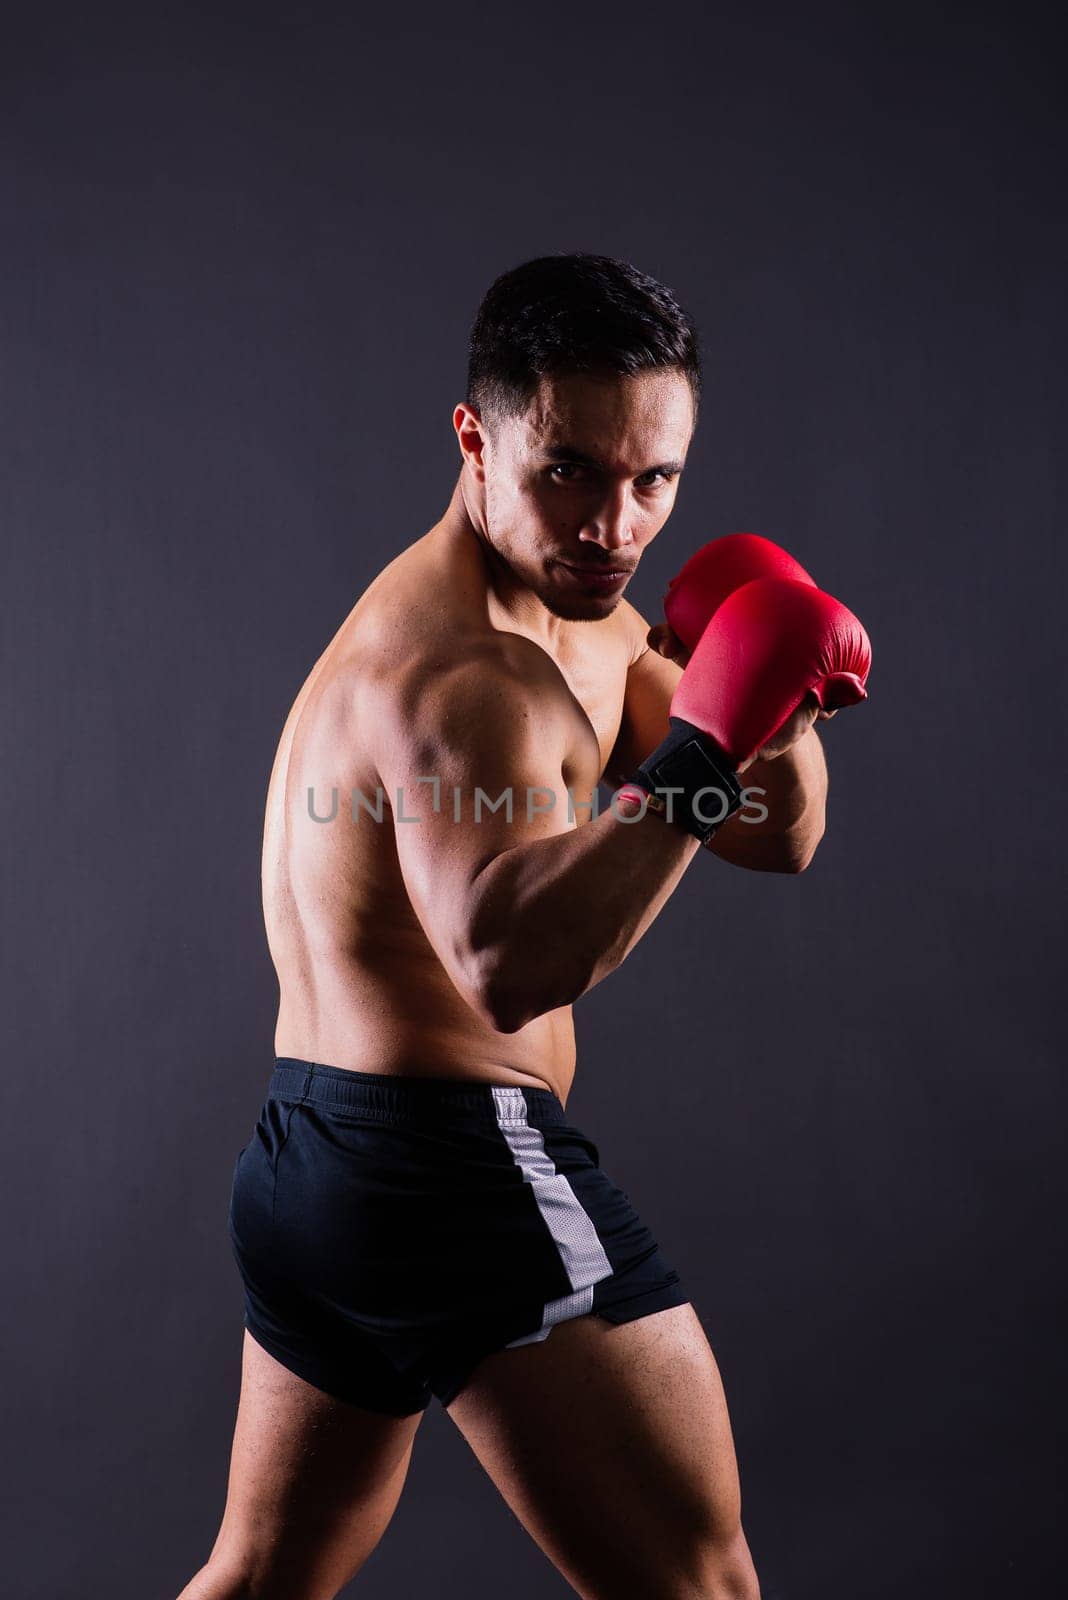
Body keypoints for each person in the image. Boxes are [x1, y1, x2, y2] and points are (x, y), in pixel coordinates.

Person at [179, 253, 867, 1600]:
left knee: (266, 1573)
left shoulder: (588, 621)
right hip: (449, 1165)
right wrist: (702, 755)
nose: (616, 524)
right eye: (571, 472)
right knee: (699, 1585)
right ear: (476, 439)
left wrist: (763, 715)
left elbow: (776, 836)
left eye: (653, 481)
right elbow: (503, 965)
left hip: (309, 1164)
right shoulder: (461, 674)